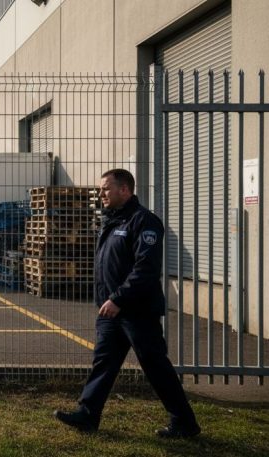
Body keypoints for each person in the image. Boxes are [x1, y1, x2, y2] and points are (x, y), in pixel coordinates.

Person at [53, 169, 201, 438]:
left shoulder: (144, 221)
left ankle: (184, 422)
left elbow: (146, 268)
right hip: (111, 312)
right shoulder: (111, 221)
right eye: (101, 189)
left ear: (125, 190)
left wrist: (118, 298)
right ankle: (87, 415)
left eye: (106, 189)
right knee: (104, 363)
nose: (101, 194)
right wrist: (107, 300)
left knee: (155, 365)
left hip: (137, 311)